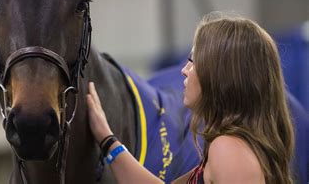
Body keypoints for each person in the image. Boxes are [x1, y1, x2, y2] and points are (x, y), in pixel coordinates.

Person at [87, 12, 295, 184]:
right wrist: (107, 139)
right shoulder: (230, 146)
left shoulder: (229, 150)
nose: (185, 70)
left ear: (221, 75)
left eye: (193, 61)